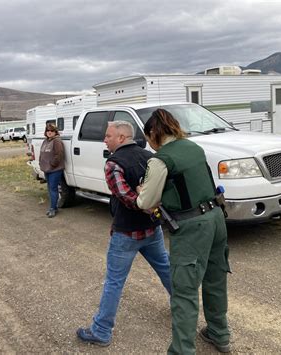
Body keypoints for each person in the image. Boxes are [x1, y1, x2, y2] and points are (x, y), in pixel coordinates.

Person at [136, 109, 231, 354]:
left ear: (154, 133)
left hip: (192, 228)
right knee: (215, 279)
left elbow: (146, 203)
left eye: (148, 138)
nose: (150, 144)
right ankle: (219, 334)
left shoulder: (160, 159)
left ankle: (181, 350)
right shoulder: (193, 147)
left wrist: (141, 191)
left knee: (184, 292)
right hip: (216, 217)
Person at [77, 121, 172, 346]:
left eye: (108, 136)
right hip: (152, 228)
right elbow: (159, 189)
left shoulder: (113, 164)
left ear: (121, 137)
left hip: (127, 234)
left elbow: (126, 197)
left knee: (114, 281)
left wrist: (143, 202)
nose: (104, 140)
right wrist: (151, 204)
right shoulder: (150, 157)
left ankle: (101, 331)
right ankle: (181, 305)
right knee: (166, 268)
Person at [39, 123, 65, 218]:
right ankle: (54, 207)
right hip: (47, 169)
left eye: (52, 131)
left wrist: (52, 164)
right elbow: (42, 153)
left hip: (55, 170)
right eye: (48, 131)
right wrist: (41, 162)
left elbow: (59, 155)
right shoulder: (45, 141)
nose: (49, 132)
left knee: (53, 189)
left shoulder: (57, 141)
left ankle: (53, 209)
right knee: (50, 189)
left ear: (55, 132)